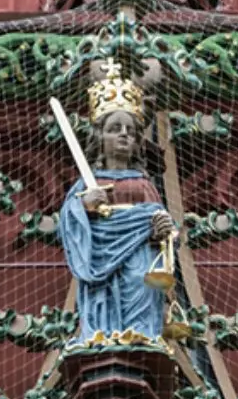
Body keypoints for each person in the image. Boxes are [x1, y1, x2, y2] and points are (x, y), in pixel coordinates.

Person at [58, 65, 175, 345]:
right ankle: (101, 337)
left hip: (140, 256)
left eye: (131, 132)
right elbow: (67, 222)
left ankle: (141, 337)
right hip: (100, 257)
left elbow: (164, 225)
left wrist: (163, 228)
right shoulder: (88, 183)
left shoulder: (143, 183)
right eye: (115, 129)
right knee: (102, 294)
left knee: (140, 286)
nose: (124, 135)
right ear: (100, 137)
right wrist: (84, 206)